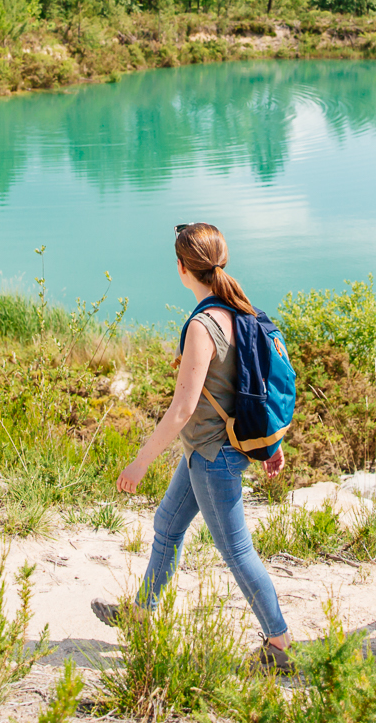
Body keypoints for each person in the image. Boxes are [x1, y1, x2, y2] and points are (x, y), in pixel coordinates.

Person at [97, 222, 294, 672]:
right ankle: (141, 615)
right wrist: (271, 442)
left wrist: (140, 462)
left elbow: (183, 408)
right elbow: (256, 386)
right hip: (210, 451)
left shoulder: (204, 325)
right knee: (167, 524)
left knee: (237, 551)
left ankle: (280, 645)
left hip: (213, 456)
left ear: (183, 267)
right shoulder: (240, 310)